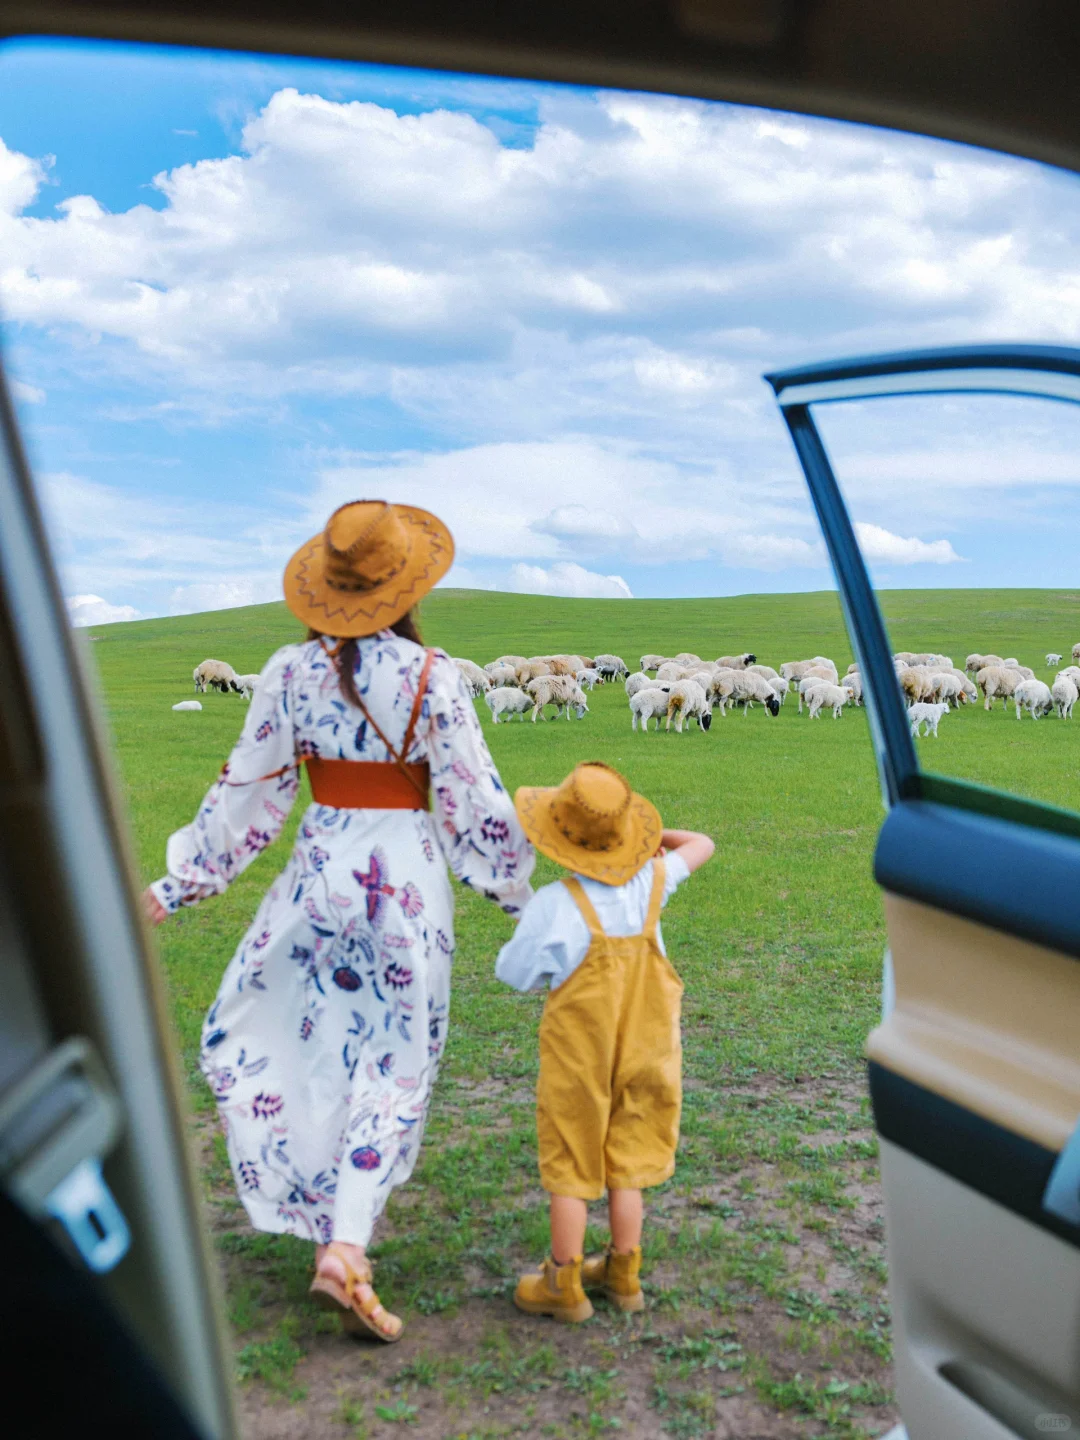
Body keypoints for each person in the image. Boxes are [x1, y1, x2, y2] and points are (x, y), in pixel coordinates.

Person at [143, 500, 534, 1342]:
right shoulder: (437, 678)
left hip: (320, 874)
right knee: (395, 1059)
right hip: (407, 885)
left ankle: (326, 1221)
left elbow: (247, 791)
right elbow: (478, 804)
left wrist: (178, 885)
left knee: (299, 1035)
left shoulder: (287, 672)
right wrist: (523, 900)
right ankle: (345, 1241)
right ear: (405, 585)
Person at [494, 761, 713, 1323]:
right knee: (629, 1157)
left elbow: (514, 973)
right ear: (623, 839)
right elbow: (702, 843)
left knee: (571, 1156)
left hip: (579, 1056)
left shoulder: (553, 904)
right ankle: (623, 1273)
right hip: (648, 1048)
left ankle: (563, 1283)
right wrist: (645, 841)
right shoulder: (654, 882)